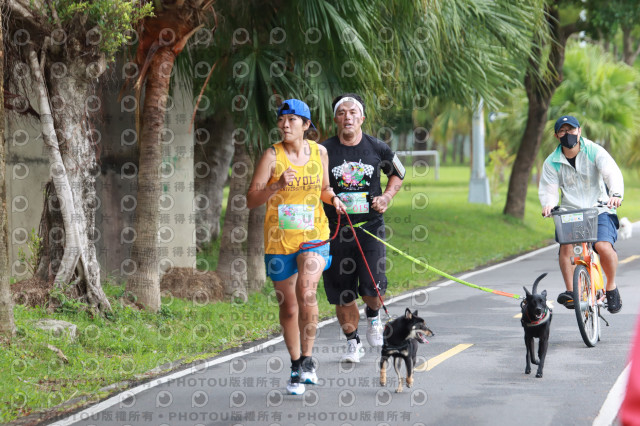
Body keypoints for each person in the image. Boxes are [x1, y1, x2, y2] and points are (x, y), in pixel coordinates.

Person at [246, 99, 346, 395]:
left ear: (306, 125)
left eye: (292, 120)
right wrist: (276, 185)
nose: (285, 125)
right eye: (282, 120)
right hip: (279, 240)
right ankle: (294, 364)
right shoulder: (272, 156)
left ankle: (309, 359)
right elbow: (251, 199)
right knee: (289, 307)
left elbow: (325, 189)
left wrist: (335, 199)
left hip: (314, 234)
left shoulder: (320, 152)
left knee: (307, 291)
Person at [321, 93, 405, 363]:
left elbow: (398, 173)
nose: (348, 117)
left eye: (353, 112)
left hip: (370, 227)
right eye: (342, 112)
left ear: (362, 118)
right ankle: (352, 342)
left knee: (372, 289)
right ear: (336, 118)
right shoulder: (324, 151)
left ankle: (373, 315)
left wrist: (387, 197)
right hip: (336, 229)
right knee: (342, 292)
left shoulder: (377, 148)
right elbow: (318, 185)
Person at [539, 115, 623, 313]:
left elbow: (611, 173)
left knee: (603, 246)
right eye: (563, 131)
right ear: (556, 135)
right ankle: (571, 291)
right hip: (571, 212)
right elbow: (549, 189)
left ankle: (611, 287)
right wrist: (549, 205)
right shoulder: (552, 162)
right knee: (565, 247)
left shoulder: (594, 151)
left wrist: (615, 194)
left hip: (600, 208)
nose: (568, 134)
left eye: (571, 130)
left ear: (579, 131)